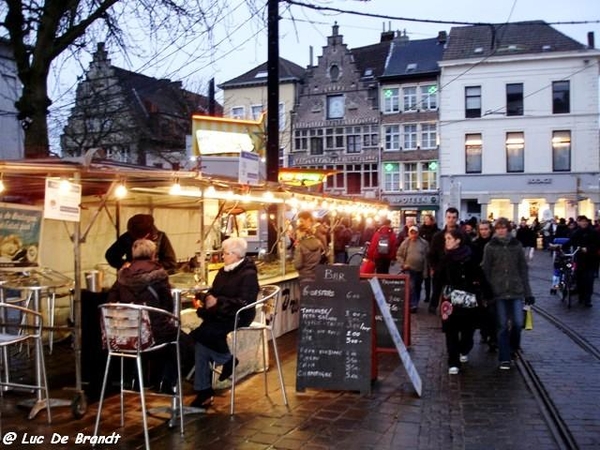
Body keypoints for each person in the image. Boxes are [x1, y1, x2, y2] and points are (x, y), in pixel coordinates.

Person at [107, 239, 192, 393]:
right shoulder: (158, 273)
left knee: (169, 341)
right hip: (152, 332)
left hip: (126, 336)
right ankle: (167, 382)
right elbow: (167, 304)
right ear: (153, 254)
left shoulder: (122, 274)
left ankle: (137, 380)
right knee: (183, 342)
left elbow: (111, 300)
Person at [189, 237, 259, 407]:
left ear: (236, 255)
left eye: (226, 253)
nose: (223, 257)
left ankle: (204, 388)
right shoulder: (223, 271)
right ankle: (224, 363)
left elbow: (245, 301)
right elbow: (212, 292)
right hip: (220, 314)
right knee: (201, 342)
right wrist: (206, 297)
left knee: (201, 336)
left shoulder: (248, 274)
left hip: (238, 315)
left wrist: (218, 302)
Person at [482, 217, 535, 370]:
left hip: (516, 290)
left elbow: (523, 269)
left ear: (508, 229)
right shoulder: (490, 247)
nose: (501, 231)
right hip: (498, 292)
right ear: (495, 230)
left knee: (518, 323)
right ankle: (504, 357)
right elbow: (486, 269)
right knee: (502, 325)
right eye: (498, 228)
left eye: (503, 228)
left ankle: (513, 347)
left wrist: (528, 292)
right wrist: (486, 291)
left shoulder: (516, 246)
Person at [435, 228, 484, 375]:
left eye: (449, 239)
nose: (447, 242)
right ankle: (453, 361)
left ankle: (464, 349)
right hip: (449, 300)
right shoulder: (445, 258)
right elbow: (438, 279)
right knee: (451, 331)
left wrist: (484, 292)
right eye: (446, 239)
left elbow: (479, 275)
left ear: (458, 241)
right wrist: (434, 300)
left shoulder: (470, 256)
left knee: (468, 331)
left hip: (467, 299)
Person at [105, 214, 177, 274]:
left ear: (147, 234)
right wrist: (123, 263)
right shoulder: (128, 236)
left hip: (154, 280)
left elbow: (171, 262)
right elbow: (111, 255)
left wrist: (150, 267)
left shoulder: (161, 237)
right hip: (132, 277)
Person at [428, 207, 464, 314]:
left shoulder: (462, 235)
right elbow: (432, 253)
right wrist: (433, 266)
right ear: (445, 218)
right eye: (449, 217)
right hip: (440, 267)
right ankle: (434, 305)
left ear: (457, 218)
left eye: (453, 217)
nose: (451, 219)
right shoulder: (438, 236)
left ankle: (452, 309)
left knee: (453, 290)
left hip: (456, 268)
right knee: (437, 289)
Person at [471, 220, 496, 352]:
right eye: (482, 229)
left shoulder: (495, 244)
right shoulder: (475, 244)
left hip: (494, 282)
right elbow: (473, 263)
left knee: (493, 310)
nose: (484, 231)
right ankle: (484, 333)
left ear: (490, 230)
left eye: (486, 229)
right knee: (482, 310)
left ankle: (492, 337)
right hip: (480, 281)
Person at [396, 225, 429, 313]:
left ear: (418, 233)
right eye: (412, 233)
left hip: (420, 269)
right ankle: (412, 304)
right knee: (412, 287)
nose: (413, 235)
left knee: (418, 287)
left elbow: (427, 258)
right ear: (409, 233)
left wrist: (426, 272)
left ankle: (416, 303)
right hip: (409, 269)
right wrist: (403, 264)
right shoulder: (405, 243)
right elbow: (399, 254)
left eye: (415, 233)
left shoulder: (424, 243)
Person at [569, 215, 599, 307]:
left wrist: (588, 249)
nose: (584, 223)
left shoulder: (593, 232)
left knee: (589, 280)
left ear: (587, 222)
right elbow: (571, 242)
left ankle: (588, 300)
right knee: (580, 280)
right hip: (580, 260)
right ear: (579, 222)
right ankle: (581, 297)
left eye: (585, 221)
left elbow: (597, 244)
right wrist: (559, 247)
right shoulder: (576, 232)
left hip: (591, 260)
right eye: (582, 221)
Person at [294, 211, 326, 282]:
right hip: (317, 274)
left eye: (297, 233)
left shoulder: (300, 246)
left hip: (305, 276)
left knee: (305, 292)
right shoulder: (318, 242)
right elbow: (322, 256)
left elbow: (298, 264)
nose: (297, 235)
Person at [419, 214, 439, 303]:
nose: (426, 221)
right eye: (425, 219)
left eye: (427, 219)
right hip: (423, 256)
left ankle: (431, 296)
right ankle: (423, 296)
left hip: (433, 257)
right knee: (423, 278)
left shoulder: (436, 231)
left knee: (432, 279)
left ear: (432, 220)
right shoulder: (421, 230)